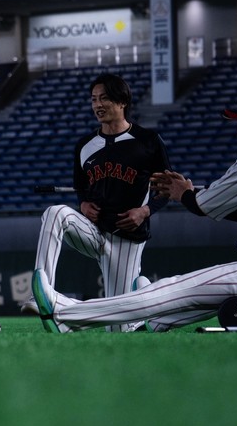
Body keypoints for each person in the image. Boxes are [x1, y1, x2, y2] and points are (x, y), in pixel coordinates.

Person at [31, 90, 237, 333]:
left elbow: (203, 205)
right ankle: (152, 325)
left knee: (172, 289)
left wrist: (183, 192)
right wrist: (188, 193)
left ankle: (67, 314)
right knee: (200, 300)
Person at [21, 74, 171, 331]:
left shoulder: (148, 141)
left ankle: (141, 298)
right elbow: (81, 187)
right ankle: (42, 293)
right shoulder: (85, 145)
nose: (98, 105)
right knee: (55, 213)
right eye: (94, 99)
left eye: (104, 98)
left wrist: (145, 211)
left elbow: (166, 189)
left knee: (118, 329)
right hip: (93, 231)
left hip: (127, 238)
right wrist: (82, 204)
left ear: (122, 101)